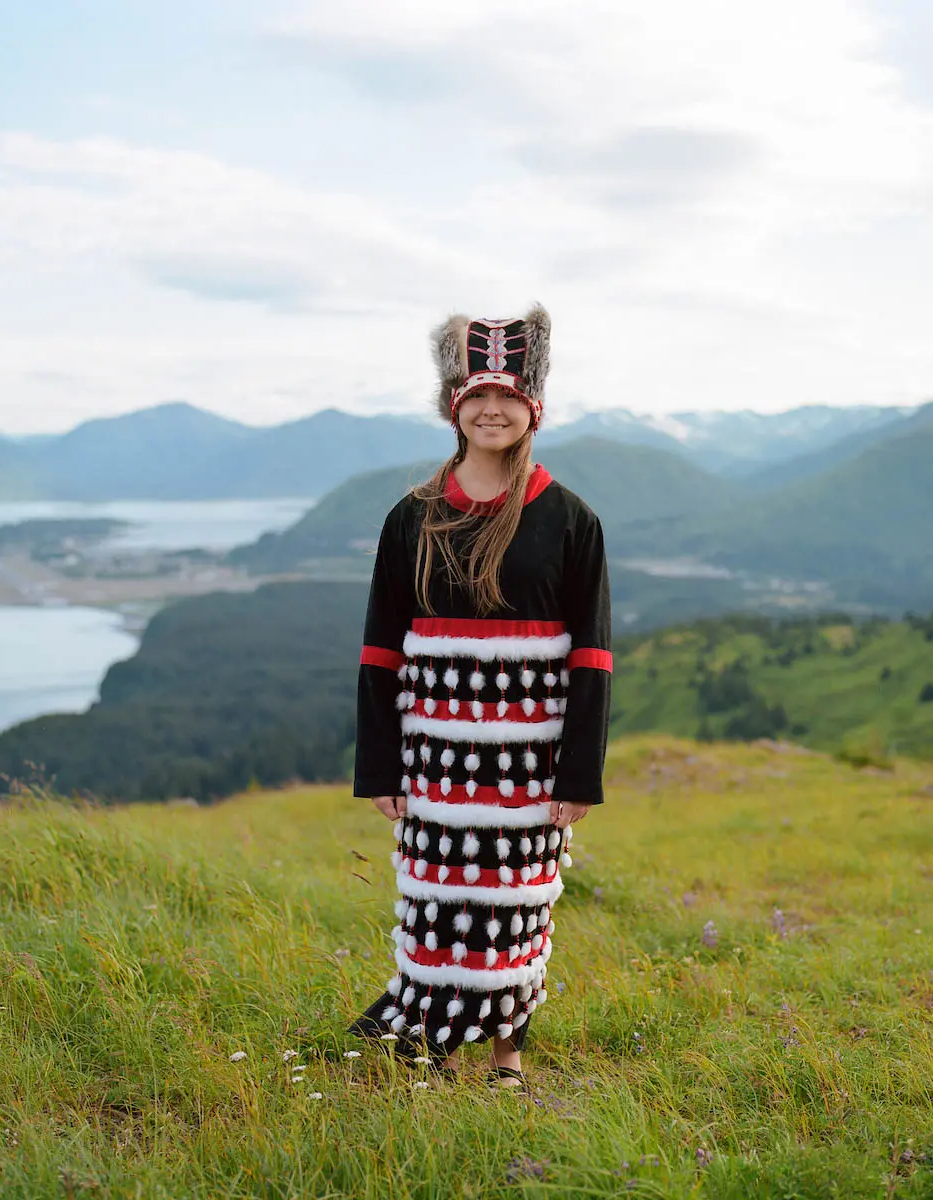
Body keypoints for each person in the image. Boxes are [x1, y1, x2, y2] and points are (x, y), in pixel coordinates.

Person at [347, 305, 612, 1089]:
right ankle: (430, 1047)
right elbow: (379, 650)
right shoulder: (414, 517)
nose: (489, 411)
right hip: (434, 757)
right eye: (475, 397)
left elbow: (592, 657)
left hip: (533, 759)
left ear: (531, 410)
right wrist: (382, 768)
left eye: (505, 398)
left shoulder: (570, 519)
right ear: (453, 408)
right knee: (439, 908)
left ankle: (507, 1060)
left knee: (517, 912)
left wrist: (579, 777)